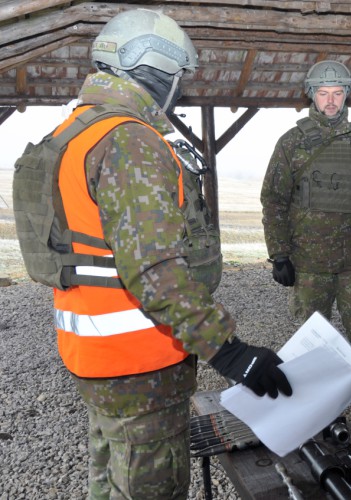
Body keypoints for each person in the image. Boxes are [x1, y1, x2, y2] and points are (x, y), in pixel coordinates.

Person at [12, 9, 293, 498]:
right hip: (138, 362)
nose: (178, 92)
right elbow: (154, 270)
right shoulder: (129, 141)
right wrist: (231, 353)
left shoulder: (77, 132)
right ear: (156, 72)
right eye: (178, 79)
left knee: (113, 475)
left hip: (94, 356)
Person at [260, 60, 351, 414]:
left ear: (346, 96)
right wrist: (279, 254)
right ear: (311, 94)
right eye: (323, 93)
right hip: (309, 263)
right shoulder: (292, 143)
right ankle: (314, 402)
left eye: (337, 93)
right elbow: (274, 199)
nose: (330, 101)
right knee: (311, 337)